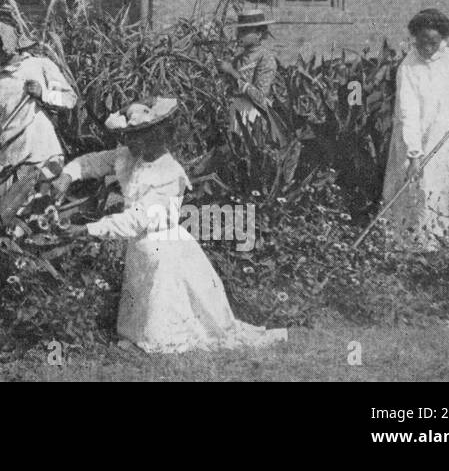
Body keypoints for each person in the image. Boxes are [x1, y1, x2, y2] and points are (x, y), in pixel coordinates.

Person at [53, 98, 287, 354]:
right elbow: (92, 163)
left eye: (136, 137)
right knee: (141, 303)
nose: (129, 143)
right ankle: (141, 336)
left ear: (153, 136)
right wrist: (67, 175)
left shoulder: (170, 173)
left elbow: (138, 219)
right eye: (127, 136)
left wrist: (87, 230)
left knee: (168, 315)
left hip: (165, 249)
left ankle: (162, 339)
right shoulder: (129, 156)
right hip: (141, 247)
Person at [380, 8, 449, 251]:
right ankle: (425, 246)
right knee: (426, 188)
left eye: (433, 42)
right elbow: (407, 113)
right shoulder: (408, 67)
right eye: (422, 42)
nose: (428, 48)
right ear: (415, 38)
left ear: (442, 38)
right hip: (420, 139)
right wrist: (414, 155)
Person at [0, 20, 77, 195]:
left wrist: (44, 94)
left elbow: (69, 99)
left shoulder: (40, 65)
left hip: (41, 151)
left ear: (6, 44)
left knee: (42, 206)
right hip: (9, 156)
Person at [218, 8, 282, 141]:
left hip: (255, 116)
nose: (240, 36)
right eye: (239, 31)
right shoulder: (238, 58)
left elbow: (260, 97)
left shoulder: (266, 58)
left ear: (259, 34)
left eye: (245, 32)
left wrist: (232, 73)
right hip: (236, 112)